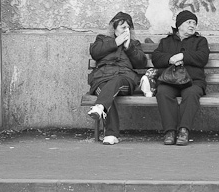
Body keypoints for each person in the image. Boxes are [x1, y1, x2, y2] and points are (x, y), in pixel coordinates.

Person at [86, 11, 147, 145]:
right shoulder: (102, 39)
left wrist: (129, 48)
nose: (126, 30)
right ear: (114, 28)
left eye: (128, 28)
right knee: (107, 91)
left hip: (124, 79)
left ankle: (100, 107)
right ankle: (111, 135)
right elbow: (95, 53)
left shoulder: (134, 44)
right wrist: (115, 42)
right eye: (122, 27)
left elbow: (141, 63)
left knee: (115, 82)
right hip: (102, 79)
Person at [152, 10, 210, 146]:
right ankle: (170, 131)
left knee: (191, 93)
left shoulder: (200, 41)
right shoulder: (166, 42)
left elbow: (202, 57)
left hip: (193, 81)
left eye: (194, 23)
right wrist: (170, 59)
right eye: (189, 22)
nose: (192, 26)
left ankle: (184, 130)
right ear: (179, 25)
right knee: (163, 92)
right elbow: (156, 57)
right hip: (170, 81)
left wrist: (183, 56)